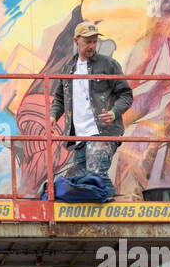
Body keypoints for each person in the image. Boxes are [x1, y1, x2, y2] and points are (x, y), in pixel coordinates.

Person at [49, 22, 133, 183]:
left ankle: (106, 198)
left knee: (95, 177)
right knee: (81, 182)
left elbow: (126, 95)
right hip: (79, 137)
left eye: (94, 41)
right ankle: (105, 196)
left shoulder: (108, 64)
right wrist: (54, 115)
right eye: (87, 41)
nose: (92, 46)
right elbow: (60, 98)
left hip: (102, 133)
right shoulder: (68, 69)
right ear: (76, 41)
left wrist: (114, 113)